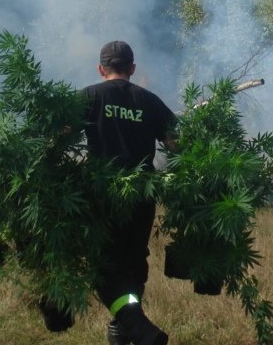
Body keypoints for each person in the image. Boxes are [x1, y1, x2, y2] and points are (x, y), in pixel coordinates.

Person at [39, 41, 176, 345]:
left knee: (105, 269)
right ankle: (124, 329)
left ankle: (138, 328)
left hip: (104, 196)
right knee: (133, 263)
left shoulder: (89, 96)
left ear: (101, 69)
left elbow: (57, 138)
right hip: (142, 196)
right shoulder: (150, 101)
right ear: (132, 69)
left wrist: (40, 171)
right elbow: (179, 145)